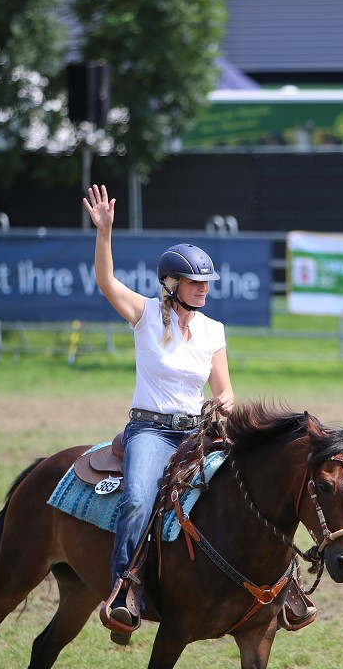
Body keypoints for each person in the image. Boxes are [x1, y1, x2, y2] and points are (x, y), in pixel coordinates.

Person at [83, 184, 235, 638]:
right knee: (136, 500)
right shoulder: (146, 315)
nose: (204, 289)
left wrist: (224, 407)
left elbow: (225, 389)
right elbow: (106, 283)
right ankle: (123, 592)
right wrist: (105, 232)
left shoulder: (213, 331)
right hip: (149, 432)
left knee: (249, 488)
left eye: (207, 283)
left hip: (196, 433)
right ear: (172, 284)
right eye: (195, 282)